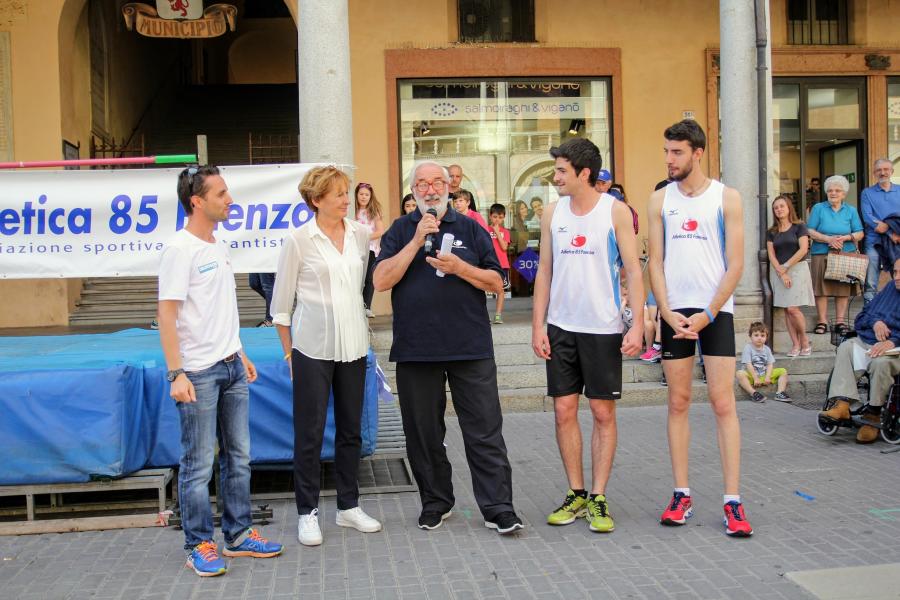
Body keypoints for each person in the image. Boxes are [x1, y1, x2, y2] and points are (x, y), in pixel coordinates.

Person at [373, 160, 524, 535]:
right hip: (415, 349)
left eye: (437, 182)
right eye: (421, 184)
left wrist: (461, 269)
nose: (430, 189)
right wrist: (413, 242)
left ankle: (498, 507)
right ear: (413, 190)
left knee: (485, 430)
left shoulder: (472, 229)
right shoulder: (400, 230)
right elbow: (380, 280)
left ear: (450, 188)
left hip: (469, 347)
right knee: (423, 434)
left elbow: (496, 282)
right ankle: (436, 502)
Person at [158, 165, 282, 577]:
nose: (230, 200)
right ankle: (199, 543)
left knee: (239, 458)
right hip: (198, 372)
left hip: (230, 366)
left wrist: (240, 352)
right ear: (197, 201)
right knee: (197, 466)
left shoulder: (218, 244)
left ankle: (239, 535)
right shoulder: (180, 249)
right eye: (222, 194)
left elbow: (219, 311)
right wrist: (176, 373)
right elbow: (167, 313)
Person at [531, 138, 644, 534]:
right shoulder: (551, 213)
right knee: (563, 411)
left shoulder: (616, 212)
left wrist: (639, 324)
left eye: (561, 170)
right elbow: (544, 270)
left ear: (584, 174)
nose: (555, 177)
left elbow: (633, 268)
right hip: (561, 327)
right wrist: (538, 325)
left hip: (602, 328)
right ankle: (575, 492)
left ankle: (598, 496)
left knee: (601, 412)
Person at [647, 119, 752, 537]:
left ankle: (733, 501)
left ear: (697, 153)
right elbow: (654, 261)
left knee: (723, 403)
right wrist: (666, 312)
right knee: (678, 402)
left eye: (677, 152)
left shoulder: (727, 198)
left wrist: (709, 313)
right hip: (675, 312)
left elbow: (737, 264)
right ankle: (681, 493)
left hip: (715, 312)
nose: (669, 159)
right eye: (667, 151)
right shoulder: (659, 199)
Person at [270, 166, 382, 546]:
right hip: (311, 349)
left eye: (346, 191)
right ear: (316, 200)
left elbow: (359, 288)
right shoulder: (299, 240)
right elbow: (281, 308)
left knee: (351, 430)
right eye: (337, 193)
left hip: (353, 346)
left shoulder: (360, 234)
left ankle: (348, 507)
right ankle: (307, 513)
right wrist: (289, 355)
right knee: (310, 432)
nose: (345, 199)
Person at [819, 257, 900, 443]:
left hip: (894, 351)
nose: (896, 277)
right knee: (847, 346)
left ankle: (873, 413)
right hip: (870, 342)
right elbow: (863, 315)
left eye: (899, 273)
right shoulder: (889, 289)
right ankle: (842, 405)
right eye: (894, 272)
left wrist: (893, 341)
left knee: (881, 363)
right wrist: (876, 322)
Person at [807, 175, 864, 335]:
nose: (833, 193)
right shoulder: (818, 208)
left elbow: (859, 233)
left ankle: (840, 322)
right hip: (821, 252)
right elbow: (809, 230)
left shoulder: (851, 210)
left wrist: (845, 238)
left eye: (837, 190)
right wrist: (828, 239)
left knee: (842, 288)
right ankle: (822, 321)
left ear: (844, 194)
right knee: (821, 289)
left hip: (844, 253)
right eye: (830, 190)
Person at [766, 194, 814, 356]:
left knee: (793, 309)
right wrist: (780, 271)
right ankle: (795, 344)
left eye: (782, 206)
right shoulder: (772, 232)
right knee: (787, 309)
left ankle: (805, 340)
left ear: (788, 208)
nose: (779, 209)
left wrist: (786, 267)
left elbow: (803, 249)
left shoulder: (799, 227)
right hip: (779, 271)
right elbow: (771, 254)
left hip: (797, 269)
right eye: (776, 208)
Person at [860, 159, 900, 305]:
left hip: (897, 242)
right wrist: (891, 233)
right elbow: (869, 219)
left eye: (886, 169)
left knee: (899, 278)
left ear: (892, 171)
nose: (882, 172)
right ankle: (869, 316)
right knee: (870, 282)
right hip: (874, 242)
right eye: (879, 170)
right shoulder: (867, 193)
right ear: (874, 173)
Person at [735, 322, 791, 403]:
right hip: (752, 375)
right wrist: (755, 378)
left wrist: (767, 377)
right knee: (739, 373)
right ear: (750, 336)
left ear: (766, 337)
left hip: (764, 375)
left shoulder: (767, 349)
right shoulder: (748, 348)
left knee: (783, 371)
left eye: (762, 335)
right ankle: (754, 393)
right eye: (756, 335)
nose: (759, 338)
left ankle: (780, 393)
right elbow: (748, 364)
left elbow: (769, 364)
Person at [353, 182, 385, 317]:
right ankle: (355, 304)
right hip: (354, 248)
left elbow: (380, 231)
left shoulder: (374, 212)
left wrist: (365, 238)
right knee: (356, 277)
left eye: (367, 194)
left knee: (368, 278)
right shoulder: (351, 211)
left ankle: (366, 305)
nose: (364, 197)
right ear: (356, 195)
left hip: (370, 248)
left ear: (371, 196)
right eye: (361, 194)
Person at [488, 203, 511, 324]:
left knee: (500, 290)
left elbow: (504, 247)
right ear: (490, 216)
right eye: (495, 217)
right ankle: (484, 315)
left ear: (504, 218)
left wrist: (497, 232)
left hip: (502, 265)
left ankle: (498, 315)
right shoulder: (485, 230)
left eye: (500, 217)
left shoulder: (505, 232)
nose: (497, 220)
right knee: (483, 289)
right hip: (488, 264)